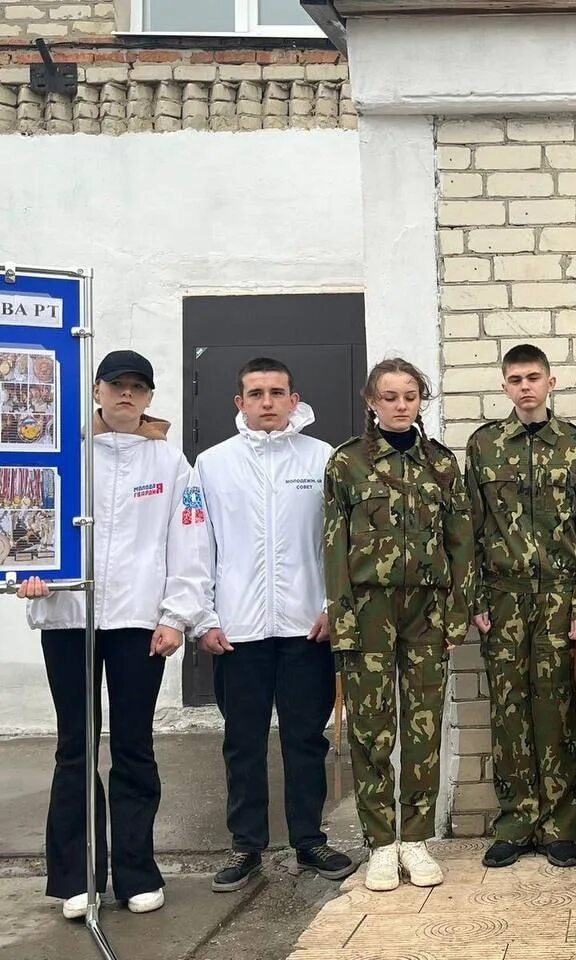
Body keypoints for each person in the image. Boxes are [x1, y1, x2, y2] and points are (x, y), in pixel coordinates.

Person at [17, 349, 209, 919]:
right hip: (68, 618)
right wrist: (30, 570)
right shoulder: (63, 456)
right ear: (96, 390)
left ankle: (136, 872)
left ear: (150, 396)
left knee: (132, 746)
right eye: (116, 385)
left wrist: (177, 616)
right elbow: (30, 520)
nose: (126, 395)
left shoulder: (171, 465)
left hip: (138, 624)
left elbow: (190, 545)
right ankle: (76, 878)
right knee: (75, 746)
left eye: (138, 387)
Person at [192, 357, 355, 892]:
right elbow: (198, 546)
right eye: (255, 393)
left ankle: (309, 840)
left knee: (306, 739)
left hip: (306, 628)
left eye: (276, 392)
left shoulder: (323, 458)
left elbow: (339, 542)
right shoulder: (212, 465)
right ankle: (246, 846)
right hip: (236, 632)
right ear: (238, 402)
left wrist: (334, 607)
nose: (267, 402)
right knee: (242, 741)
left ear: (294, 398)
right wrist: (204, 618)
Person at [322, 357, 473, 891]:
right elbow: (333, 546)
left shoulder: (443, 464)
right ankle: (381, 843)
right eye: (390, 396)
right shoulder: (347, 464)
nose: (401, 405)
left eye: (411, 395)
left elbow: (461, 542)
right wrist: (340, 617)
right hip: (368, 610)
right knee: (371, 726)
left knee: (424, 723)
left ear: (421, 400)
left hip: (427, 610)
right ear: (371, 402)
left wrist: (459, 610)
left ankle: (416, 838)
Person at [466, 343, 576, 870]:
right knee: (507, 710)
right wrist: (475, 597)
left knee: (556, 708)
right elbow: (470, 529)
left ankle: (559, 825)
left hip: (558, 599)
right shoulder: (483, 446)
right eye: (515, 379)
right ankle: (516, 822)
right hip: (502, 599)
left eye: (533, 377)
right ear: (504, 386)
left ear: (551, 383)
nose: (525, 387)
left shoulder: (575, 445)